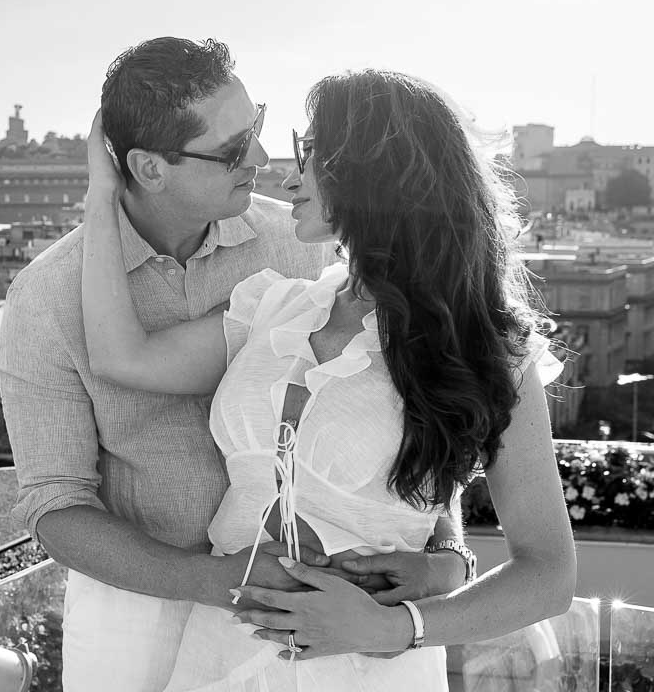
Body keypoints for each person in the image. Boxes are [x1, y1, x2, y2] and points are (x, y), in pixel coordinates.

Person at [0, 37, 472, 692]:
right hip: (136, 612)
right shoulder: (47, 298)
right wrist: (210, 581)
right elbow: (55, 502)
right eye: (231, 150)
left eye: (254, 128)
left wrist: (444, 553)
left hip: (327, 608)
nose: (262, 158)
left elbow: (396, 406)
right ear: (149, 168)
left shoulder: (306, 241)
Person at [80, 67, 577, 690]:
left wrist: (397, 628)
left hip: (364, 671)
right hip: (220, 658)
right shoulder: (274, 306)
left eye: (310, 154)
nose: (289, 176)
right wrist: (104, 198)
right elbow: (121, 357)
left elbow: (549, 574)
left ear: (372, 170)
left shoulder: (486, 348)